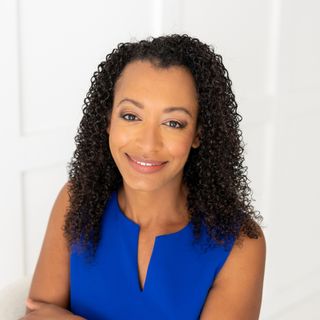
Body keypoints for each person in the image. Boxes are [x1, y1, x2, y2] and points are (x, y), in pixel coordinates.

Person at [21, 34, 266, 320]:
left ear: (198, 133)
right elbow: (33, 314)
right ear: (108, 119)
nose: (148, 145)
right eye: (131, 116)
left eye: (173, 123)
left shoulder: (240, 246)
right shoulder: (76, 200)